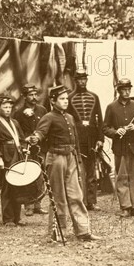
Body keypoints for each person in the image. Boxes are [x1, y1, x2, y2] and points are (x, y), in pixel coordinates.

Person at [31, 85, 100, 241]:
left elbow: (74, 140)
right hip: (56, 159)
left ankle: (83, 231)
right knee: (58, 197)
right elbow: (40, 132)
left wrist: (78, 160)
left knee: (76, 195)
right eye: (61, 99)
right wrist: (36, 137)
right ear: (53, 100)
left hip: (71, 158)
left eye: (66, 98)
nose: (65, 101)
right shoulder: (48, 117)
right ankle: (58, 232)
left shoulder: (69, 117)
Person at [102, 78, 134, 217]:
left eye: (129, 89)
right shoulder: (111, 107)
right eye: (124, 89)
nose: (127, 92)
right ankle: (125, 207)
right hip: (119, 147)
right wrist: (116, 132)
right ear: (119, 91)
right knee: (122, 177)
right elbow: (105, 128)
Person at [67, 69, 104, 211]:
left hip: (92, 138)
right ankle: (80, 201)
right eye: (79, 79)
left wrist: (100, 139)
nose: (82, 81)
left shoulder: (94, 97)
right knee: (78, 172)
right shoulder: (69, 98)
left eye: (84, 79)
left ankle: (92, 201)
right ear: (75, 81)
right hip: (77, 139)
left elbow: (100, 120)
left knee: (91, 171)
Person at [0, 95, 27, 227]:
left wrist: (25, 148)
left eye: (10, 107)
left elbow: (21, 139)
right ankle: (8, 218)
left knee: (18, 186)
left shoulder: (15, 122)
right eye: (5, 107)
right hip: (5, 157)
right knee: (7, 187)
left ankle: (17, 217)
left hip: (17, 155)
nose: (8, 109)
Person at [13, 84, 49, 216]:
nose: (34, 97)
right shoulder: (18, 113)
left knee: (41, 175)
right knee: (29, 176)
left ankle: (38, 204)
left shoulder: (43, 110)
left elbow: (47, 127)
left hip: (40, 148)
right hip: (27, 148)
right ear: (24, 96)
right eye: (30, 95)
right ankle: (28, 205)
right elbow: (16, 131)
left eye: (35, 94)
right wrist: (24, 139)